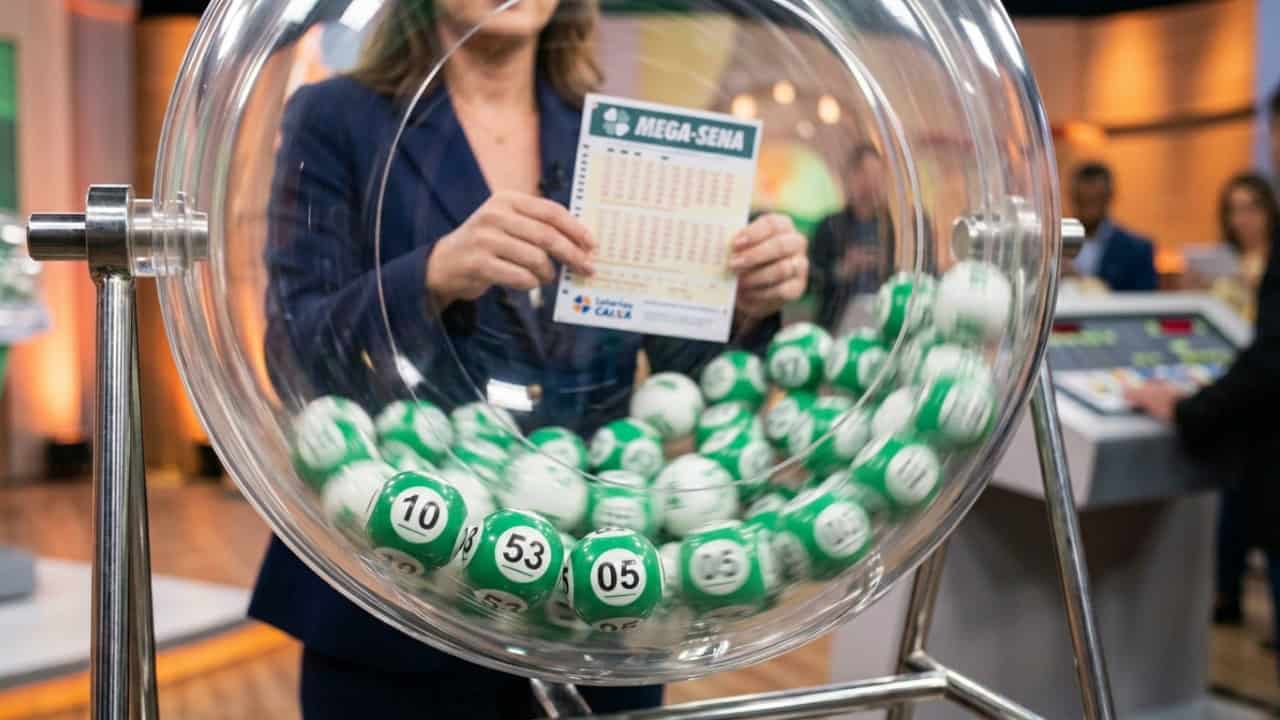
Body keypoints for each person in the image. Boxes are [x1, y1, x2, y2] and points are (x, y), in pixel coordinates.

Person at [251, 0, 810, 717]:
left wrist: (746, 299)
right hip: (401, 584)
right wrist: (433, 272)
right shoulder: (337, 118)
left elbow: (683, 368)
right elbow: (295, 351)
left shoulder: (618, 138)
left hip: (594, 589)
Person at [1125, 175, 1280, 665]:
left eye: (1252, 207)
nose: (1243, 219)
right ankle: (1226, 595)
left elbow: (1269, 359)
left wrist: (1187, 409)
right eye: (1234, 209)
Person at [810, 144, 904, 328]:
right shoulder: (830, 226)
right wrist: (843, 269)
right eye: (865, 175)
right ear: (851, 177)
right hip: (838, 321)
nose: (871, 184)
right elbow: (811, 279)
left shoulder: (893, 229)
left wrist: (887, 266)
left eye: (877, 176)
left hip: (885, 319)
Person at [1069, 162, 1158, 292]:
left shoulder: (1138, 250)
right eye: (1082, 201)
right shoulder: (1053, 249)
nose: (1089, 209)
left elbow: (1145, 300)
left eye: (1095, 200)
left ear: (1109, 197)